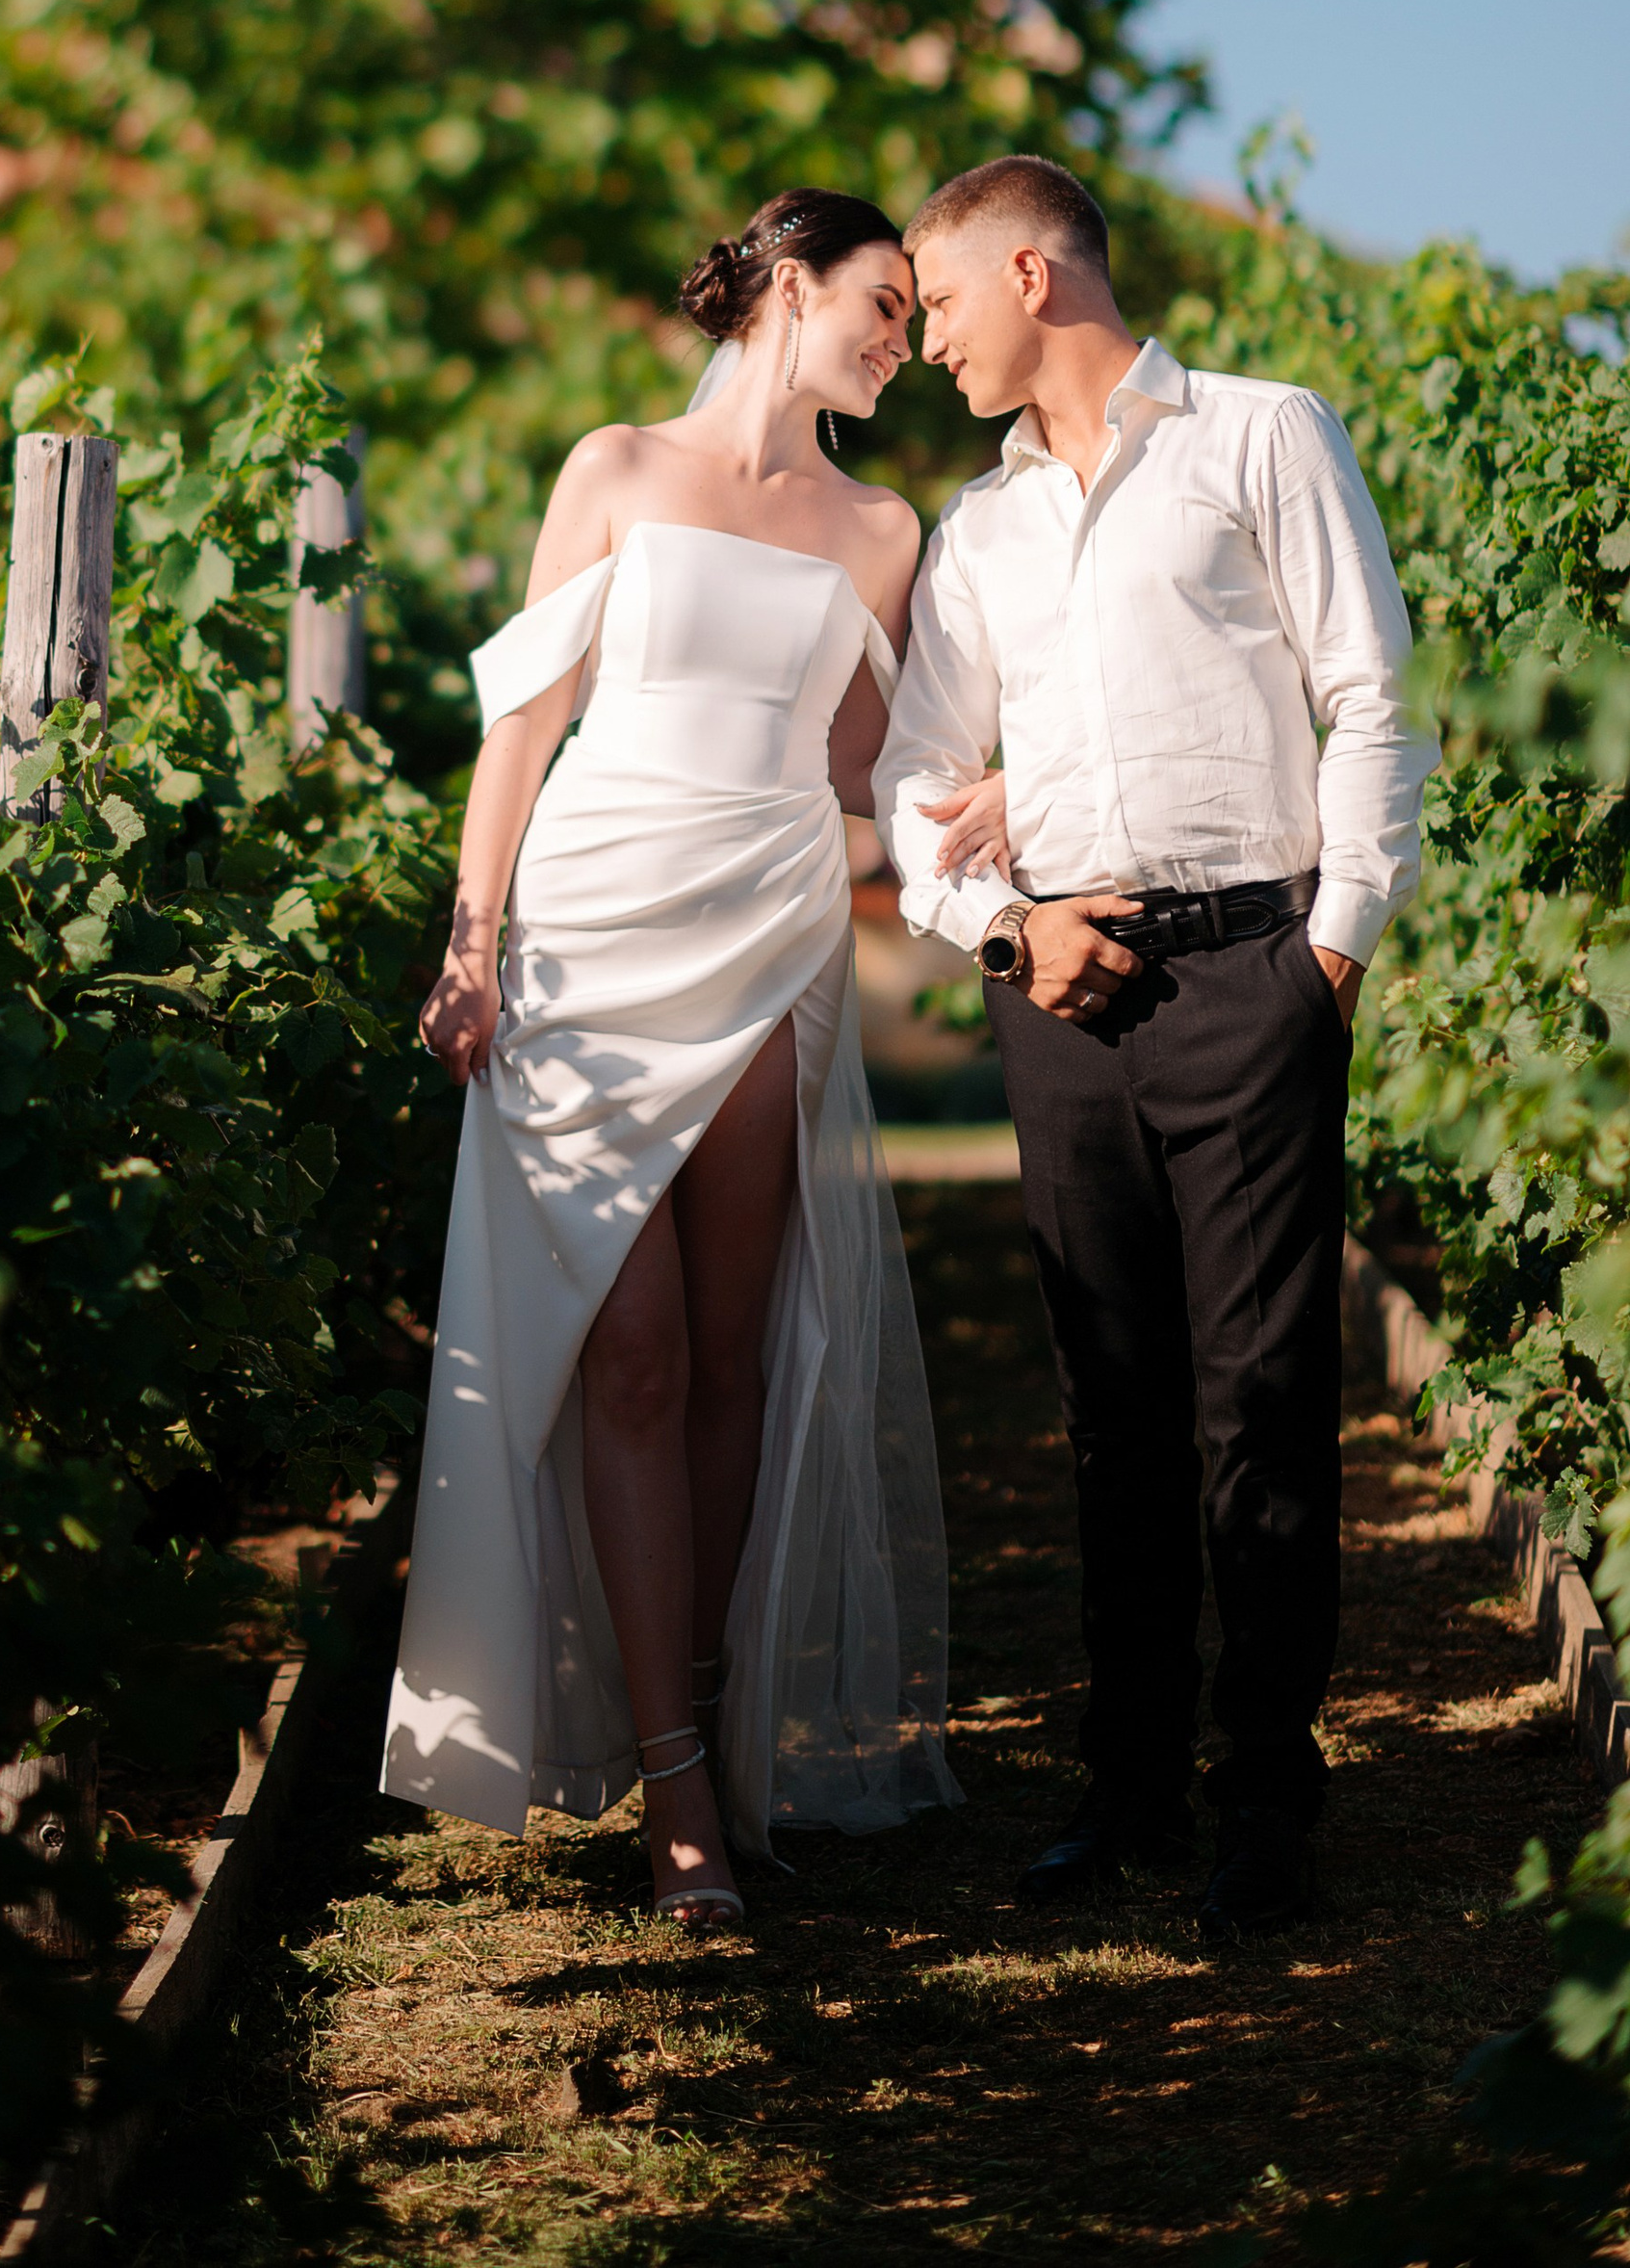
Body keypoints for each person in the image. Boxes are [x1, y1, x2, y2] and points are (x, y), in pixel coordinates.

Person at [383, 192, 965, 1929]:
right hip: (590, 929)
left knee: (729, 1362)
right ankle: (675, 1785)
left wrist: (1014, 807)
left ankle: (703, 1723)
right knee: (625, 1359)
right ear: (791, 284)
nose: (903, 339)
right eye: (882, 301)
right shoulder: (615, 467)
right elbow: (521, 726)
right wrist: (472, 942)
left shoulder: (883, 525)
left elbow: (879, 772)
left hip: (768, 936)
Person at [875, 154, 1436, 1939]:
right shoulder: (976, 531)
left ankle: (1264, 1807)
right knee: (1108, 1411)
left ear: (1032, 274)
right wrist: (1002, 928)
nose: (926, 341)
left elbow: (1371, 691)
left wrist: (1332, 950)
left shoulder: (1265, 436)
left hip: (1250, 974)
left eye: (939, 302)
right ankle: (1122, 1795)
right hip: (1063, 993)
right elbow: (909, 787)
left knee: (1259, 1406)